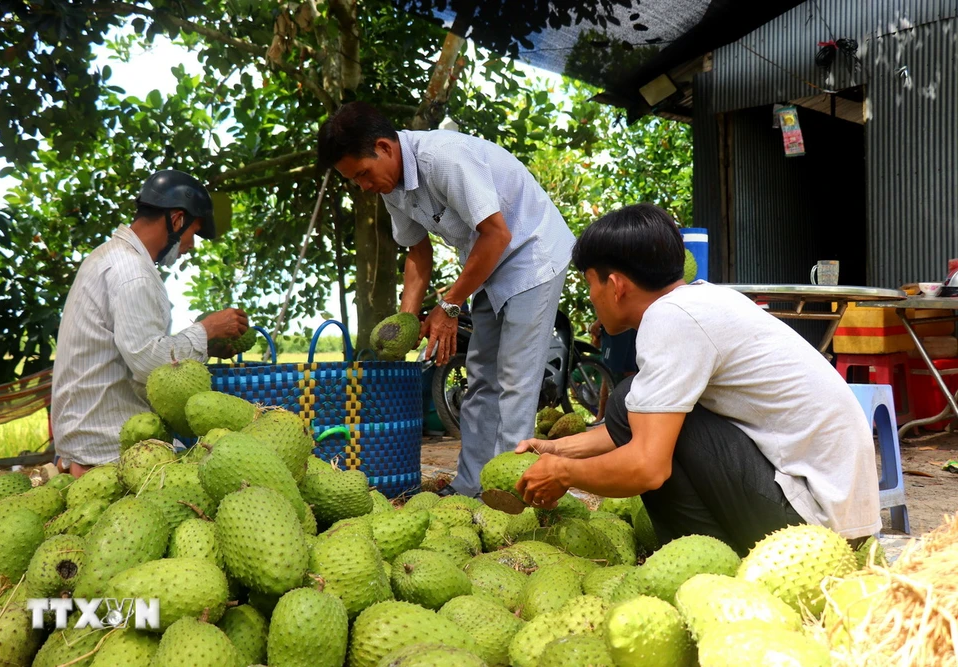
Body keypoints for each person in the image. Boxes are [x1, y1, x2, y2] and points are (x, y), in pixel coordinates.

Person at [515, 203, 880, 554]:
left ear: (615, 285)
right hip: (837, 522)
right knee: (637, 405)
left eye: (590, 284)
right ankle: (718, 552)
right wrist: (556, 449)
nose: (593, 297)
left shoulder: (669, 320)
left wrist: (564, 473)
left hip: (812, 532)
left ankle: (712, 561)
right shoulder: (702, 301)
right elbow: (643, 425)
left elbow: (647, 465)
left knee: (629, 401)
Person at [317, 102, 576, 497]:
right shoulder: (393, 187)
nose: (364, 187)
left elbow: (498, 234)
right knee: (481, 381)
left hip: (531, 254)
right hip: (487, 266)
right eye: (355, 181)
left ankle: (513, 495)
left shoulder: (444, 159)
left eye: (363, 175)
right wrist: (405, 322)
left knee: (515, 380)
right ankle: (470, 487)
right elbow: (417, 253)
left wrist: (450, 306)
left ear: (385, 148)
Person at [51, 170, 248, 477]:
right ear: (177, 220)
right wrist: (205, 330)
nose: (191, 246)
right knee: (219, 471)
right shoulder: (133, 272)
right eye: (193, 233)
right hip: (106, 444)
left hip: (90, 434)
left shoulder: (111, 256)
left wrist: (206, 342)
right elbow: (148, 362)